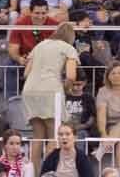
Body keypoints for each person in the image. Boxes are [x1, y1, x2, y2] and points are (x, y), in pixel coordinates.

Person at [22, 23, 79, 163]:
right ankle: (48, 171)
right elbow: (71, 76)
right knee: (55, 135)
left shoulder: (40, 45)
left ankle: (35, 173)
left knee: (38, 136)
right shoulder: (68, 48)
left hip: (29, 89)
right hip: (51, 90)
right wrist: (66, 88)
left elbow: (25, 73)